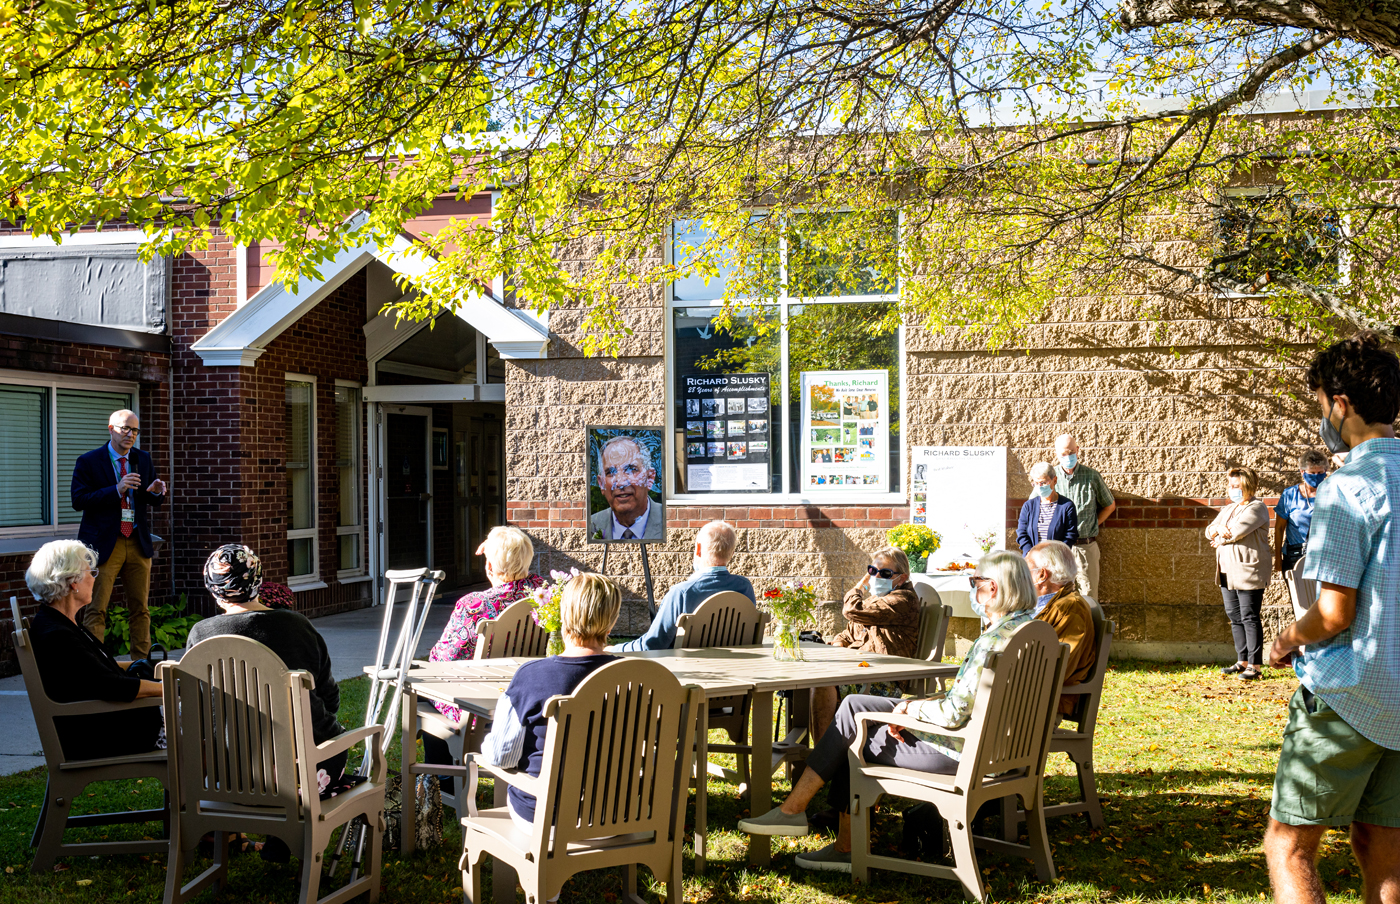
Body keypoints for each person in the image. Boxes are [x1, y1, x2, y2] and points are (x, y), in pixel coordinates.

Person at [737, 550, 1038, 873]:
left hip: (958, 751)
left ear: (992, 589)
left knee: (853, 738)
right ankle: (796, 812)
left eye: (974, 581)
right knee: (853, 707)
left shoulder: (991, 642)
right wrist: (916, 706)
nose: (972, 588)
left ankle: (833, 839)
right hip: (1000, 750)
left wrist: (914, 709)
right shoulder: (1029, 634)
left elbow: (953, 714)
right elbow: (966, 701)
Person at [1264, 332, 1400, 904]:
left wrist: (1283, 640)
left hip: (1350, 693)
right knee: (1383, 848)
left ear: (1341, 403)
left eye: (1321, 402)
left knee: (1288, 846)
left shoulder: (1348, 488)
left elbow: (1334, 613)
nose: (1322, 415)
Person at [185, 545, 348, 782]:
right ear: (257, 580)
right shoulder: (297, 626)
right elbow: (330, 699)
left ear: (212, 588)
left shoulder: (201, 635)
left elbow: (196, 710)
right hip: (307, 773)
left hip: (232, 777)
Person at [481, 572, 623, 834]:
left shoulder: (532, 676)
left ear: (563, 615)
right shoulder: (634, 676)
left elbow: (501, 756)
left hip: (546, 820)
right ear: (612, 621)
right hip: (616, 815)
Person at [23, 540, 163, 762]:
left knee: (201, 722)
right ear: (72, 582)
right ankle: (214, 792)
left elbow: (97, 670)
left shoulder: (60, 623)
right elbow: (111, 686)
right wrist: (169, 689)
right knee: (200, 726)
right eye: (91, 572)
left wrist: (164, 671)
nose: (94, 578)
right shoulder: (58, 635)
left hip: (97, 725)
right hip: (100, 734)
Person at [71, 409, 167, 659]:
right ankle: (96, 668)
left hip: (136, 541)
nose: (130, 434)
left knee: (140, 609)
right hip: (105, 545)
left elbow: (146, 497)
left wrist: (156, 491)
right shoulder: (89, 461)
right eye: (125, 428)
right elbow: (78, 500)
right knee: (96, 608)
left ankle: (142, 666)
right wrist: (116, 489)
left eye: (134, 430)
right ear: (111, 429)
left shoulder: (142, 459)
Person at [809, 547, 921, 752]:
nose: (877, 577)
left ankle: (821, 760)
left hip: (883, 679)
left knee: (823, 684)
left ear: (902, 577)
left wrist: (860, 585)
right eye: (872, 571)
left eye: (885, 573)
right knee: (807, 682)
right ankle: (820, 756)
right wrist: (837, 646)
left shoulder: (903, 600)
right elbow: (846, 634)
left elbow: (852, 610)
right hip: (859, 670)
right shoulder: (874, 601)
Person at [612, 520, 755, 651]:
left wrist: (613, 649)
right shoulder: (744, 588)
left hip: (686, 671)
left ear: (698, 549)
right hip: (733, 669)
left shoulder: (681, 593)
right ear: (732, 554)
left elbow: (652, 644)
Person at [1205, 466, 1272, 680]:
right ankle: (1242, 661)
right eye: (1231, 485)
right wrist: (1218, 530)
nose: (1233, 489)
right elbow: (1209, 529)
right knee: (1234, 616)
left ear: (1249, 486)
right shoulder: (1229, 508)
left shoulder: (1257, 508)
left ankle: (1255, 665)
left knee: (1249, 616)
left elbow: (1237, 532)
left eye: (1237, 486)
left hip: (1248, 570)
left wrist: (1221, 533)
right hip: (1226, 571)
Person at [1025, 540, 1097, 716]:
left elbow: (1058, 669)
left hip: (1042, 706)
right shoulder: (1041, 604)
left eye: (1025, 569)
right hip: (1024, 696)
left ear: (1042, 575)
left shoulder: (1071, 608)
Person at [1052, 433, 1115, 600]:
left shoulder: (1091, 476)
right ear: (1057, 454)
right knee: (1060, 599)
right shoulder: (1051, 478)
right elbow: (1035, 508)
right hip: (1059, 550)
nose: (1068, 457)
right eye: (1064, 453)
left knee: (1088, 598)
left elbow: (1109, 506)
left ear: (1078, 450)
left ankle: (1088, 627)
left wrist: (1094, 523)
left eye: (1071, 452)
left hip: (1085, 548)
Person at [588, 436, 664, 541]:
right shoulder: (591, 526)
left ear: (649, 478)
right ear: (601, 484)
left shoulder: (668, 520)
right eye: (611, 472)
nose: (621, 482)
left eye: (631, 470)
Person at [1273, 450, 1329, 575]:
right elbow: (1279, 528)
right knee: (1297, 593)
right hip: (1295, 555)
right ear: (1302, 472)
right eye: (1312, 472)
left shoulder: (1331, 493)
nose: (1316, 475)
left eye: (1320, 472)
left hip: (1324, 555)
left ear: (1325, 472)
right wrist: (1278, 558)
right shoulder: (1290, 494)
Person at [1017, 462, 1080, 553]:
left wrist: (1055, 556)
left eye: (1043, 483)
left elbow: (1070, 535)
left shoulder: (1066, 506)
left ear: (1054, 480)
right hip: (1032, 560)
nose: (1039, 487)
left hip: (1057, 561)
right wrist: (1031, 554)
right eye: (1036, 483)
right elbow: (1022, 533)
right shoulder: (1028, 506)